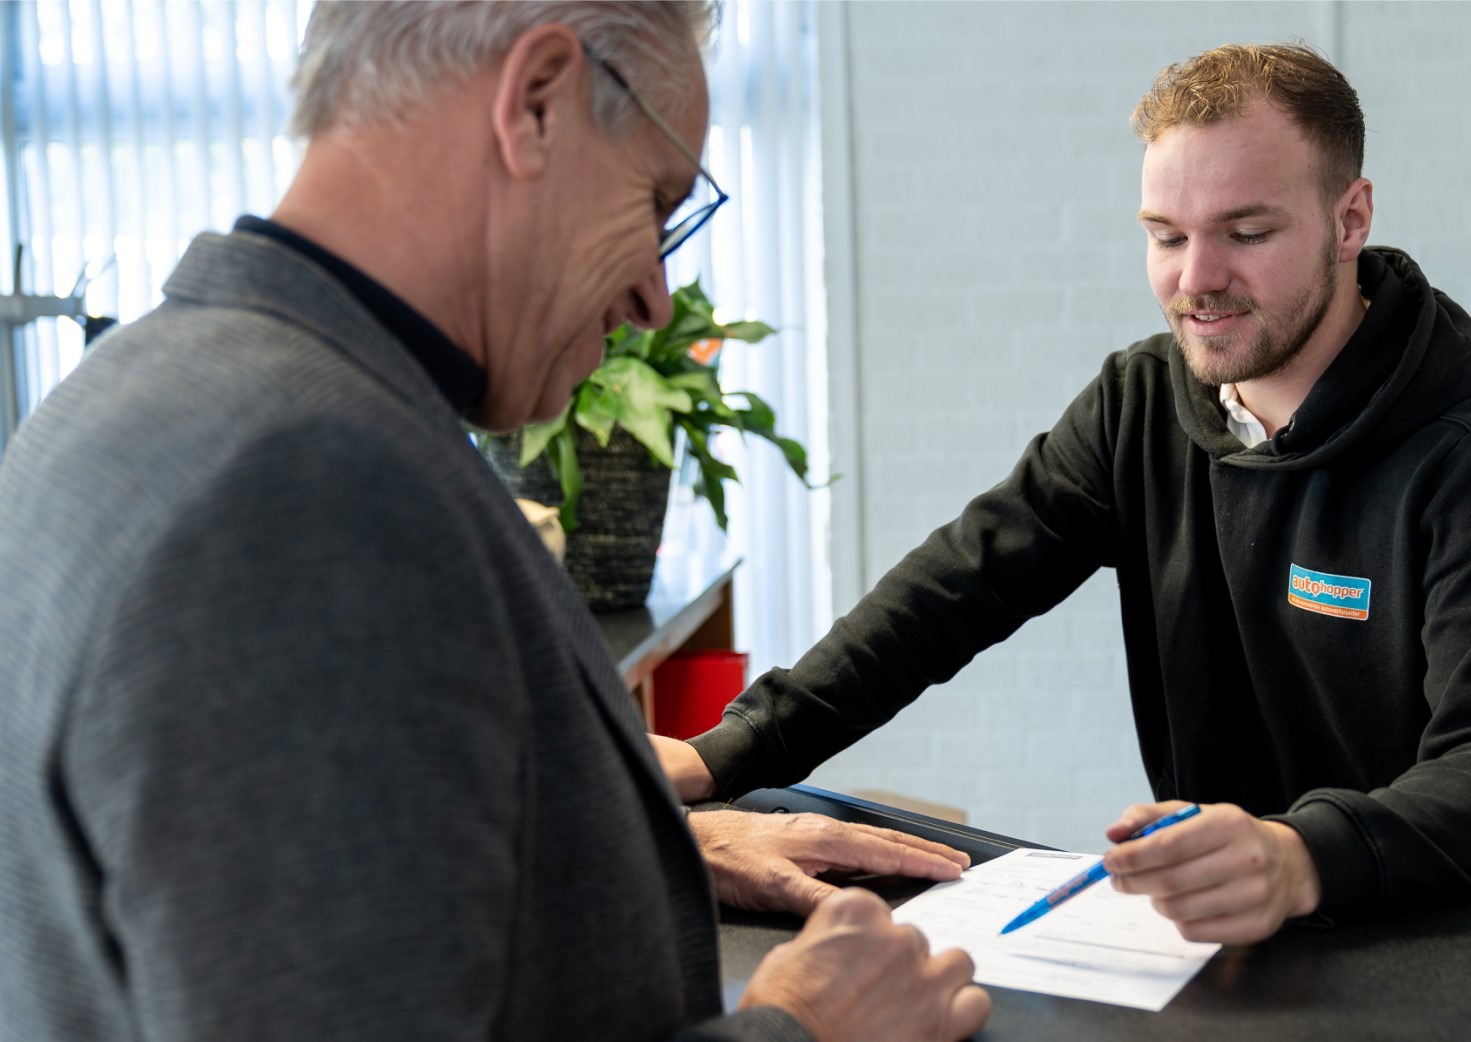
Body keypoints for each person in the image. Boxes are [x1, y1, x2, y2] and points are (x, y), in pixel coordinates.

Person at [0, 3, 990, 1040]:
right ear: (536, 103)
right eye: (656, 205)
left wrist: (619, 849)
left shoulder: (143, 391)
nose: (656, 298)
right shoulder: (310, 489)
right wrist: (806, 1028)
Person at [654, 43, 1471, 946]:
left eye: (1247, 232)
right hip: (1208, 946)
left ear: (1350, 220)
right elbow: (951, 591)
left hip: (1415, 943)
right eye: (1166, 236)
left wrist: (1298, 855)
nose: (1196, 280)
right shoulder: (1141, 403)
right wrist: (727, 751)